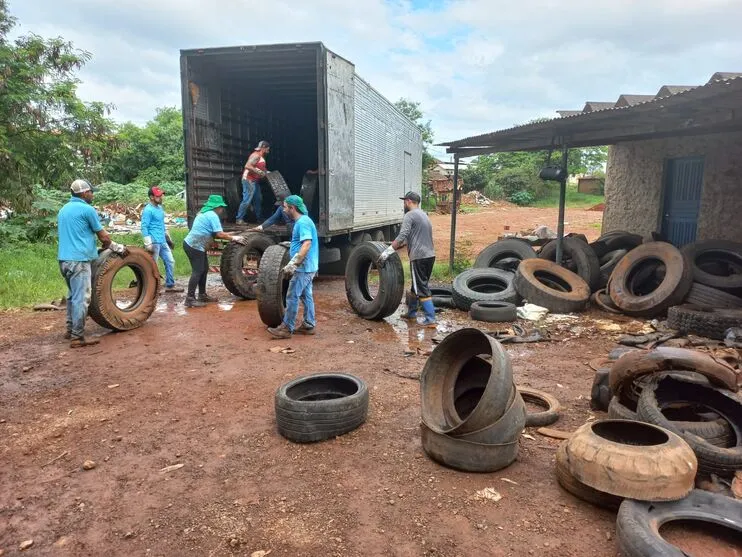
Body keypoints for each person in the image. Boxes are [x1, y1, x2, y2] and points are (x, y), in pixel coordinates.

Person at [57, 179, 127, 348]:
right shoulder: (87, 210)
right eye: (90, 192)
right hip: (79, 262)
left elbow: (76, 235)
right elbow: (103, 237)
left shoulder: (63, 210)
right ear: (83, 193)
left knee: (73, 296)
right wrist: (118, 248)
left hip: (64, 260)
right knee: (82, 298)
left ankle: (70, 330)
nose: (92, 194)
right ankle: (77, 337)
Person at [377, 191, 436, 327]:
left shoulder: (409, 215)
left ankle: (431, 319)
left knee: (421, 287)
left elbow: (402, 235)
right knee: (417, 286)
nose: (404, 204)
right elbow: (413, 237)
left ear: (409, 201)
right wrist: (398, 245)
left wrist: (387, 252)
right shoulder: (424, 215)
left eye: (404, 201)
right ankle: (412, 313)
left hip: (419, 257)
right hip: (430, 255)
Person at [267, 195, 318, 339]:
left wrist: (294, 263)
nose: (283, 209)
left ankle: (286, 328)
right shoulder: (303, 221)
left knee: (292, 296)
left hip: (303, 267)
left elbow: (307, 243)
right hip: (308, 266)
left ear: (292, 208)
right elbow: (304, 242)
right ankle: (309, 324)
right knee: (306, 295)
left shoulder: (302, 223)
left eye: (285, 207)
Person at [183, 194, 246, 308]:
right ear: (216, 207)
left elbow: (215, 232)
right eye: (221, 207)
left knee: (204, 269)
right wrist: (234, 238)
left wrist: (231, 234)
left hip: (194, 245)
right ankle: (190, 299)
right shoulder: (212, 215)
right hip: (194, 246)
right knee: (198, 271)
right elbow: (219, 234)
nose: (222, 210)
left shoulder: (204, 212)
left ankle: (202, 295)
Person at [141, 186, 183, 293]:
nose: (161, 197)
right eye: (158, 196)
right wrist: (148, 243)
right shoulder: (148, 210)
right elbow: (144, 226)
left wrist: (168, 238)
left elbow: (162, 225)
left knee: (170, 261)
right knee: (153, 265)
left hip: (162, 240)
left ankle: (170, 284)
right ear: (151, 197)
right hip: (154, 241)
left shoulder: (160, 209)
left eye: (161, 195)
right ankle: (151, 288)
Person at [236, 140, 270, 225]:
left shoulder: (261, 157)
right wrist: (259, 172)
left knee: (258, 199)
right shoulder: (256, 155)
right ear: (264, 148)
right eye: (267, 148)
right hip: (248, 180)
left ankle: (259, 218)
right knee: (247, 199)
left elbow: (259, 167)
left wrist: (267, 172)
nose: (268, 150)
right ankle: (239, 219)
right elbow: (247, 166)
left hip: (255, 181)